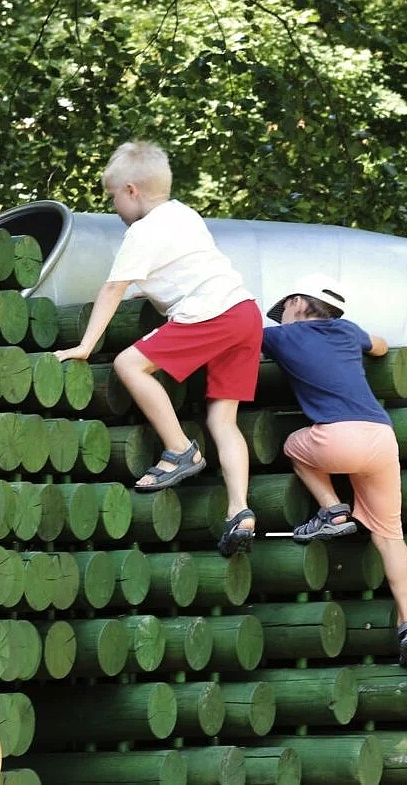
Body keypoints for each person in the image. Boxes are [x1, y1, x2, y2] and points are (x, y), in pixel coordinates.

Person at [54, 140, 263, 556]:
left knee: (129, 364)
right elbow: (172, 271)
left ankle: (180, 449)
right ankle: (239, 510)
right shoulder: (184, 215)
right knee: (224, 421)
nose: (114, 207)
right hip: (244, 313)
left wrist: (85, 344)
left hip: (212, 313)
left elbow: (112, 287)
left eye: (113, 196)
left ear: (131, 190)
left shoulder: (143, 231)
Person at [261, 273, 407, 665]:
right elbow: (381, 346)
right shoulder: (347, 330)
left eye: (283, 308)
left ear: (299, 304)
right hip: (381, 437)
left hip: (338, 438)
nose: (279, 317)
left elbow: (236, 335)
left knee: (293, 446)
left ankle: (333, 509)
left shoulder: (282, 337)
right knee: (390, 535)